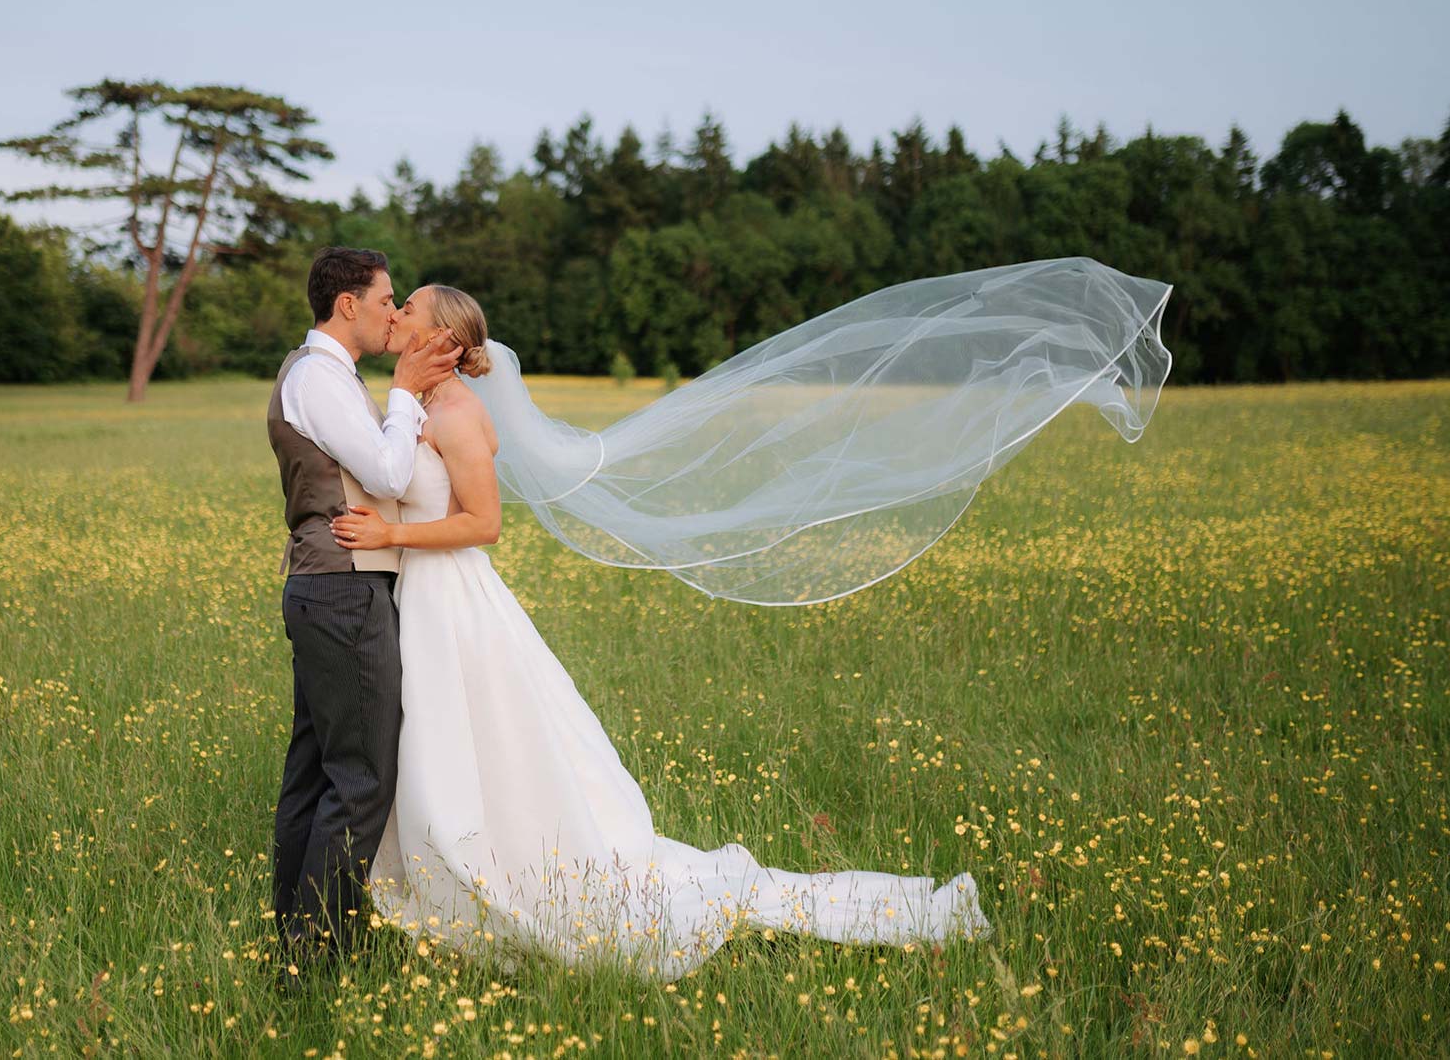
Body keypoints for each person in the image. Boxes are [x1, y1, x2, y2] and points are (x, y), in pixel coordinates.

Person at [329, 284, 995, 981]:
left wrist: (389, 535)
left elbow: (484, 523)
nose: (395, 314)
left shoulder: (458, 414)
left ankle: (496, 874)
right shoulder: (421, 408)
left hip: (454, 598)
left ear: (442, 337)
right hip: (424, 596)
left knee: (471, 735)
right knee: (447, 738)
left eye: (408, 308)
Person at [263, 247, 459, 983]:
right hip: (344, 591)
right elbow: (387, 473)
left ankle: (293, 939)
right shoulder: (318, 378)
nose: (390, 313)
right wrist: (405, 391)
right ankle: (320, 954)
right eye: (384, 300)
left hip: (331, 588)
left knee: (317, 771)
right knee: (362, 777)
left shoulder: (327, 376)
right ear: (347, 304)